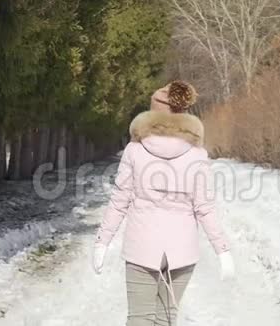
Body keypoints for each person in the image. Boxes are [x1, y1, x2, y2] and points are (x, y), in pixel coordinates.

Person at [92, 81, 235, 326]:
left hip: (141, 247)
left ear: (151, 115)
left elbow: (119, 199)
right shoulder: (196, 155)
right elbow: (205, 207)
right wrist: (223, 250)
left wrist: (102, 242)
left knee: (139, 319)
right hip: (182, 250)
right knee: (166, 318)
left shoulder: (134, 150)